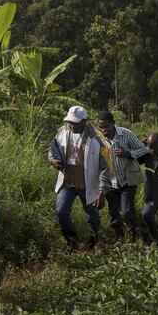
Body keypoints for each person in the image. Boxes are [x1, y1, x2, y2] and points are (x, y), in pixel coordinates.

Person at [49, 105, 106, 253]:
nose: (71, 125)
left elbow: (106, 167)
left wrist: (102, 191)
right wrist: (53, 161)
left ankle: (93, 242)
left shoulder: (98, 138)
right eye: (69, 122)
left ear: (84, 122)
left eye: (74, 122)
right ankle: (71, 242)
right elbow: (52, 150)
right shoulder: (61, 132)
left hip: (87, 183)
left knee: (91, 215)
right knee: (61, 210)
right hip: (67, 181)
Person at [95, 111, 148, 241]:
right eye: (100, 127)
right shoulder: (97, 140)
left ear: (113, 124)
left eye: (106, 126)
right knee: (114, 214)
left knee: (126, 212)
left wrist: (128, 153)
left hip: (127, 181)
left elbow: (143, 149)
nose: (103, 130)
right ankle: (120, 239)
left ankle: (133, 238)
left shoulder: (126, 134)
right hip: (109, 183)